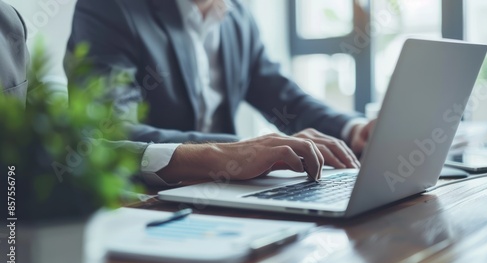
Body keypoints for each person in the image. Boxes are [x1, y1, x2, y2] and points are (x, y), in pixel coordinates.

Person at [0, 0, 331, 186]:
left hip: (219, 196)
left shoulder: (237, 16)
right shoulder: (110, 8)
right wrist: (227, 151)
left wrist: (356, 130)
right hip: (145, 198)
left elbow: (283, 96)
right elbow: (108, 129)